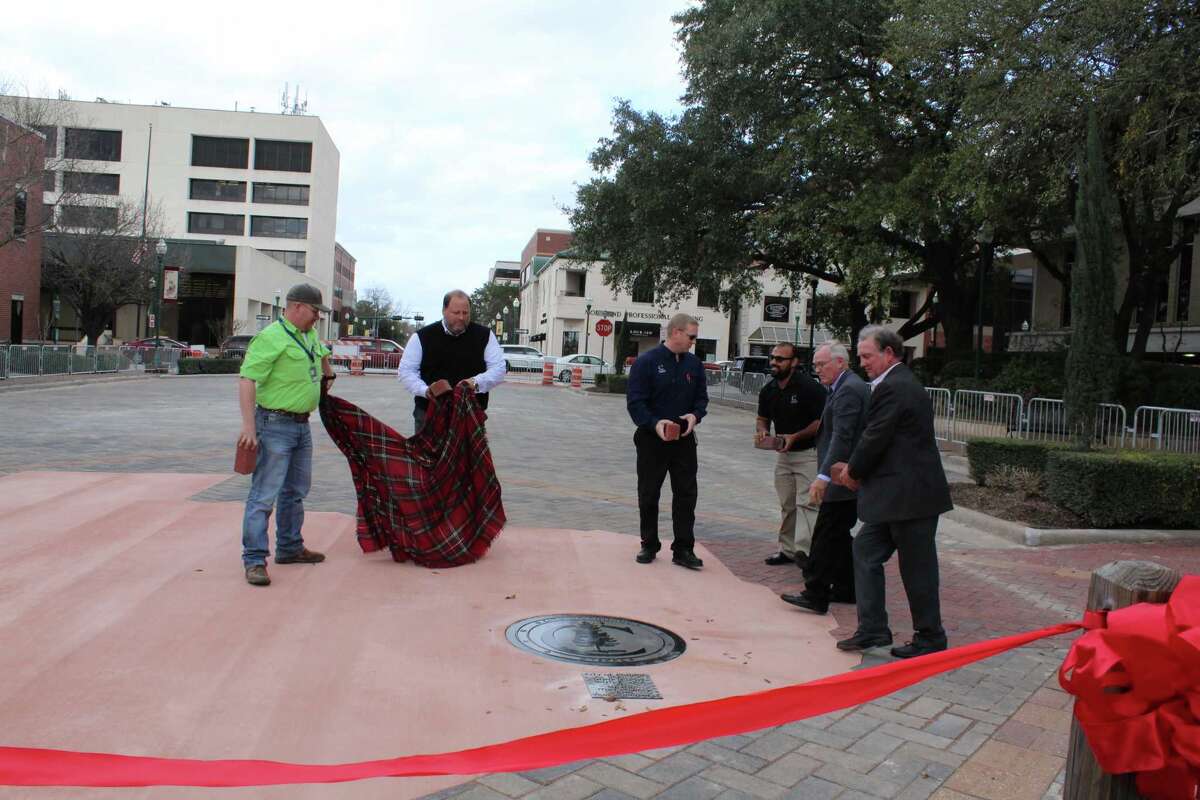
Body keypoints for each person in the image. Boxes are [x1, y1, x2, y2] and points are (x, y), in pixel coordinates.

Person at [830, 326, 953, 658]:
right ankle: (872, 630)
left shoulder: (896, 386)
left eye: (868, 356)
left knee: (917, 569)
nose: (863, 363)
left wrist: (852, 472)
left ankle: (930, 637)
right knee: (865, 552)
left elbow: (876, 437)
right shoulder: (893, 384)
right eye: (861, 357)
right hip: (894, 498)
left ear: (889, 353)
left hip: (911, 499)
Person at [237, 284, 336, 587]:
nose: (318, 316)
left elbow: (320, 356)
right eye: (314, 310)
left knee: (295, 491)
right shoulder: (271, 338)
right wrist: (249, 428)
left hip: (301, 425)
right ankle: (254, 560)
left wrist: (327, 371)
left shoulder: (308, 336)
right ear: (295, 307)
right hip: (274, 424)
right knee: (264, 494)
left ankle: (290, 547)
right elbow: (247, 379)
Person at [781, 342, 869, 614]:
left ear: (840, 362)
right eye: (816, 365)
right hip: (843, 475)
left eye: (822, 364)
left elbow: (842, 437)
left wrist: (822, 476)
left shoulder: (849, 390)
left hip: (841, 477)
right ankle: (847, 588)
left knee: (825, 534)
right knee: (838, 535)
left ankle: (815, 592)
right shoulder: (844, 387)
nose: (817, 370)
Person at [626, 313, 709, 570]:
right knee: (649, 493)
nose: (694, 342)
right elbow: (635, 402)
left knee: (686, 494)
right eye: (691, 336)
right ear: (676, 333)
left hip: (684, 440)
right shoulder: (647, 362)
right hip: (652, 440)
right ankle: (649, 543)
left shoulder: (694, 365)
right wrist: (654, 423)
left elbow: (702, 400)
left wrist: (695, 416)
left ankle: (683, 548)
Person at [754, 342, 827, 568]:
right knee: (787, 504)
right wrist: (763, 432)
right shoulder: (769, 390)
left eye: (780, 359)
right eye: (772, 358)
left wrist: (796, 436)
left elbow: (821, 421)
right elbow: (762, 418)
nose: (774, 362)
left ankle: (806, 553)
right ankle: (787, 550)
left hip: (808, 454)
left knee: (808, 504)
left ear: (794, 362)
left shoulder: (809, 388)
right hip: (784, 456)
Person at [397, 289, 505, 433]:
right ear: (444, 310)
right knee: (427, 456)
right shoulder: (422, 337)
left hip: (470, 415)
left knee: (468, 457)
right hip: (429, 413)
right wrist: (426, 390)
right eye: (456, 313)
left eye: (465, 313)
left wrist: (475, 382)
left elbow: (499, 369)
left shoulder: (484, 335)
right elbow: (406, 371)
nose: (461, 317)